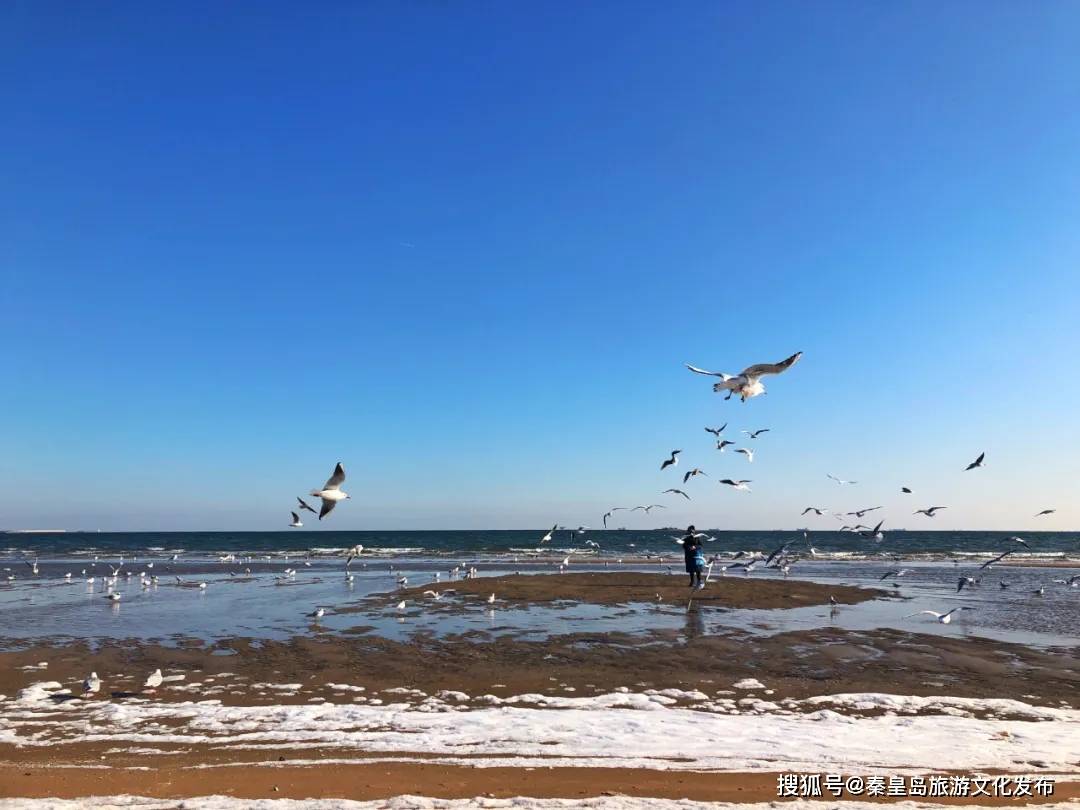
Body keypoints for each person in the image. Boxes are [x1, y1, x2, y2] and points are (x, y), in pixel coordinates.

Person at [682, 525, 706, 589]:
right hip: (689, 555)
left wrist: (695, 547)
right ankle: (692, 582)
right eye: (690, 530)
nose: (691, 532)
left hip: (696, 554)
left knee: (698, 569)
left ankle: (699, 581)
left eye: (692, 530)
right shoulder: (686, 537)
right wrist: (689, 547)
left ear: (694, 531)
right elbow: (684, 546)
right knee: (691, 569)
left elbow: (701, 545)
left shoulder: (697, 537)